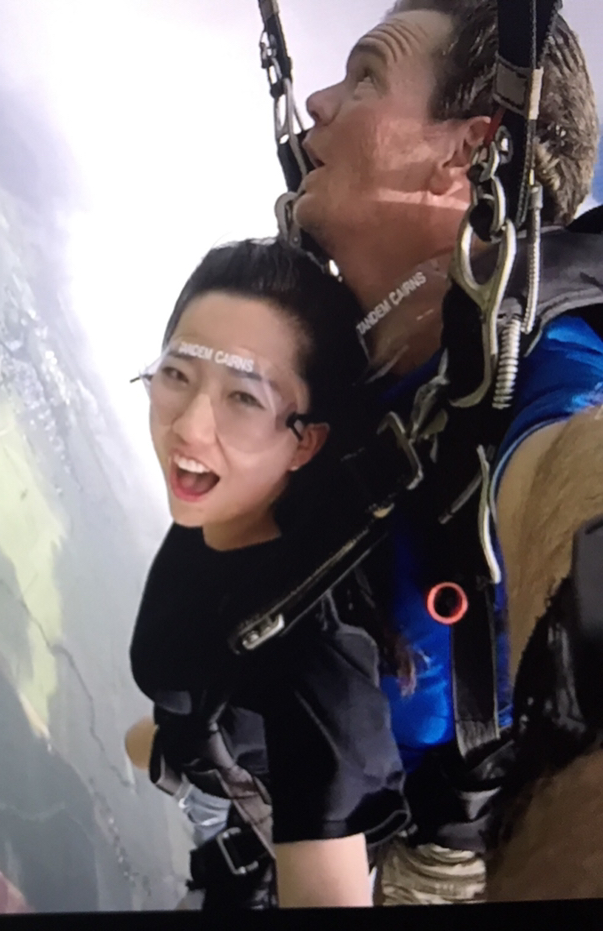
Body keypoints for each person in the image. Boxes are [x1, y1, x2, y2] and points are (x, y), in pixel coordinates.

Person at [286, 0, 603, 902]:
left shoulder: (547, 370)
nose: (316, 102)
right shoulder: (348, 352)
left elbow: (573, 471)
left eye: (365, 77)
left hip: (427, 854)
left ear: (465, 151)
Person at [126, 238, 411, 910]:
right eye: (178, 374)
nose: (190, 427)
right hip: (213, 795)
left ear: (305, 440)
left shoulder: (315, 659)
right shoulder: (230, 506)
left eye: (244, 399)